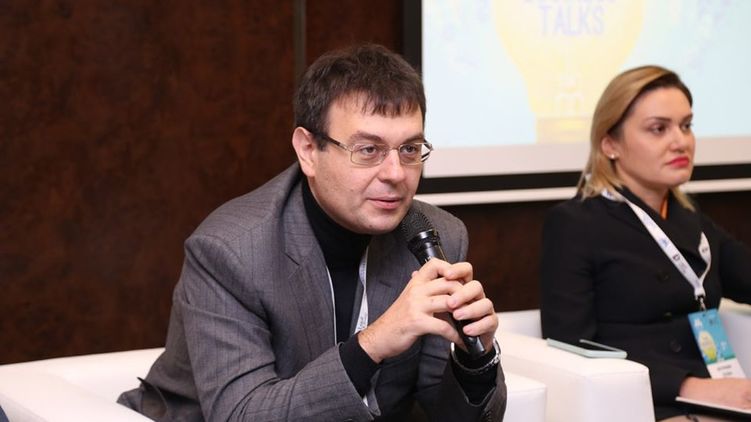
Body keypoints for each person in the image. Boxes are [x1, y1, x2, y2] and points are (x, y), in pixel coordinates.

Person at [118, 44, 506, 421]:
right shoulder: (230, 251)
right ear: (307, 150)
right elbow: (242, 414)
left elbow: (445, 411)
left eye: (409, 149)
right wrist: (373, 344)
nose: (395, 173)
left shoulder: (437, 235)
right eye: (368, 150)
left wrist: (475, 358)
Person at [539, 65, 751, 421]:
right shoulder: (574, 224)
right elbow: (571, 348)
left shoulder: (690, 217)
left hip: (718, 398)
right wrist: (686, 386)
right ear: (610, 144)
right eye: (659, 129)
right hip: (639, 404)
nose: (681, 141)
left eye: (686, 125)